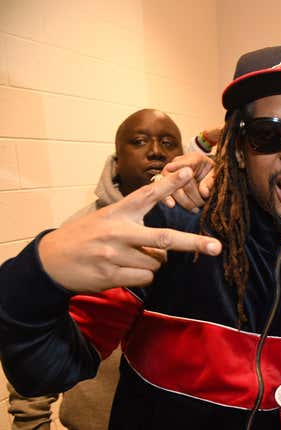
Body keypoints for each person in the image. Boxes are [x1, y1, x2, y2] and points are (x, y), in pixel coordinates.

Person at [0, 45, 281, 430]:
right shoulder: (170, 230)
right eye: (267, 134)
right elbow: (46, 372)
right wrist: (37, 272)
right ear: (240, 150)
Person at [6, 108, 184, 430]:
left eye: (168, 142)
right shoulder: (80, 232)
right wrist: (31, 422)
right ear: (117, 160)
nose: (156, 151)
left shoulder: (207, 235)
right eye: (140, 141)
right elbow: (40, 334)